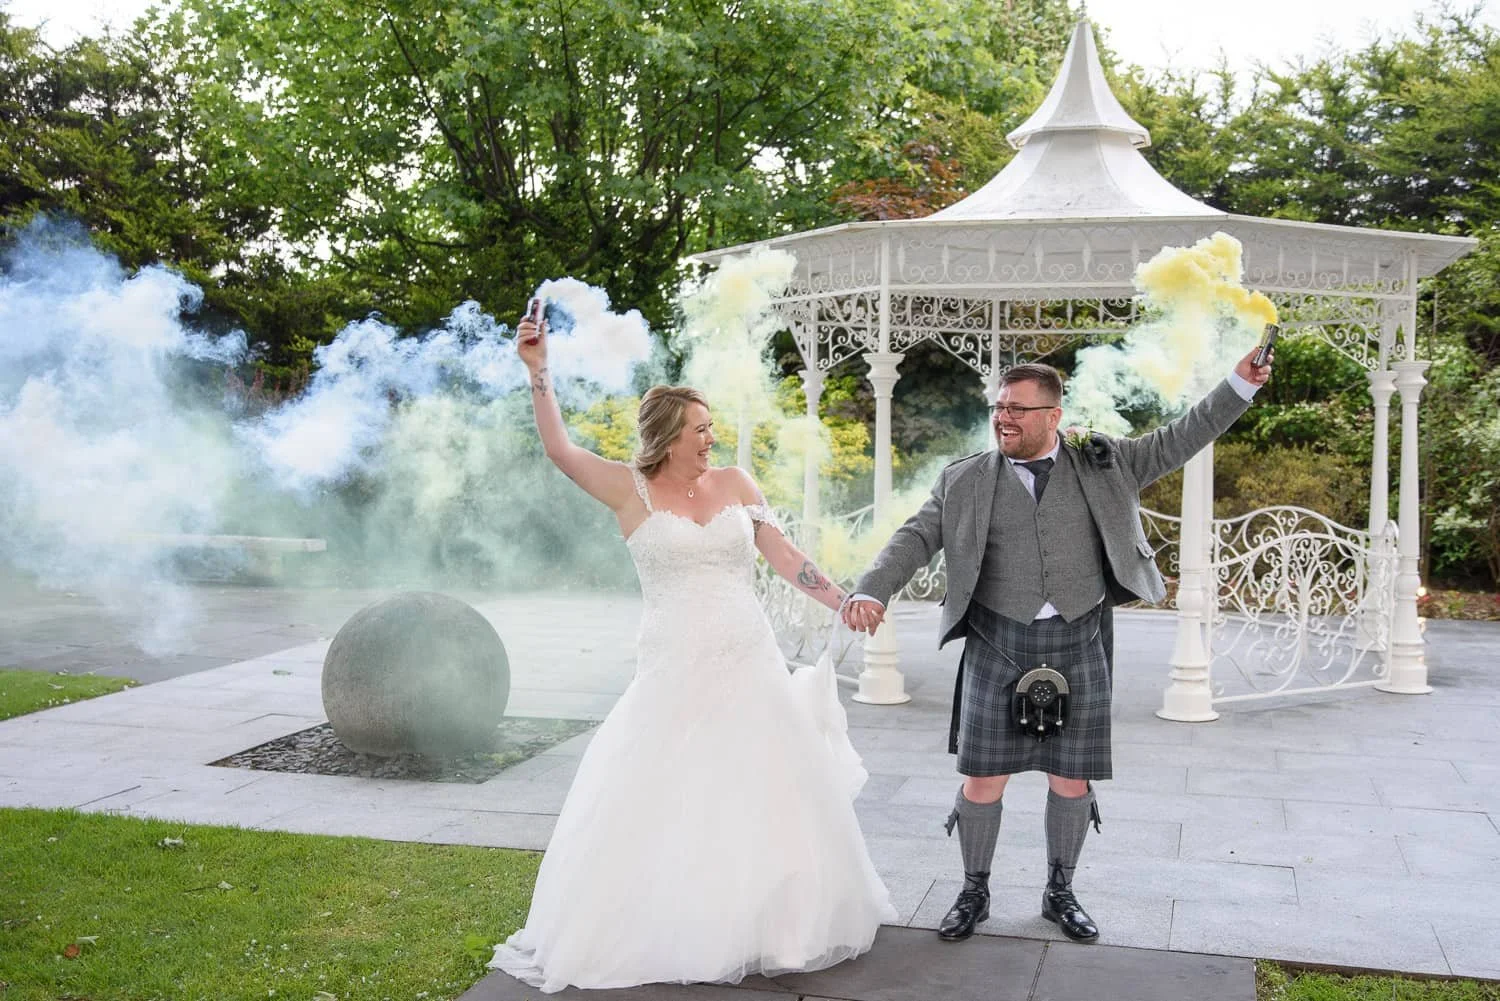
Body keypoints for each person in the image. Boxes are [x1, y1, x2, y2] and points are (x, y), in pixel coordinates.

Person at [490, 310, 895, 993]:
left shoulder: (738, 482)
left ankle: (776, 924)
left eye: (712, 428)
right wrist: (539, 372)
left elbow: (785, 555)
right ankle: (670, 922)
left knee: (766, 792)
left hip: (750, 661)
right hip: (674, 668)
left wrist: (844, 598)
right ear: (671, 436)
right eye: (701, 429)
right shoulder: (630, 490)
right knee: (671, 795)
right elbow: (560, 450)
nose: (713, 438)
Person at [842, 348, 1273, 944]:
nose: (1003, 418)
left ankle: (1060, 891)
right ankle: (974, 890)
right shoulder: (963, 478)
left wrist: (1239, 384)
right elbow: (915, 536)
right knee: (983, 776)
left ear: (1054, 415)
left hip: (1079, 637)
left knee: (1071, 779)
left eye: (1018, 408)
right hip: (997, 639)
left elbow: (1182, 436)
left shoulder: (1106, 463)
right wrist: (872, 590)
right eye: (998, 407)